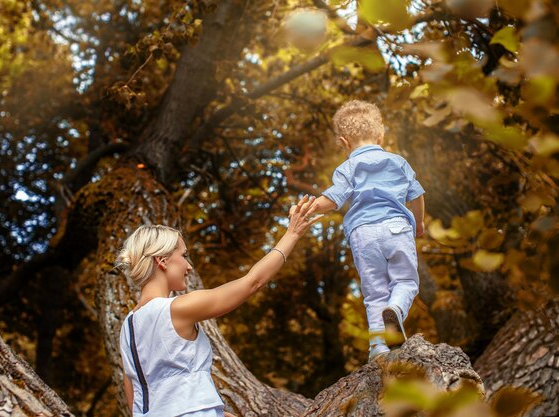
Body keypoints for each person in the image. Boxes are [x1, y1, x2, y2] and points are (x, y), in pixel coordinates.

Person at [117, 195, 322, 417]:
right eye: (184, 255)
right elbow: (252, 282)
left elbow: (139, 396)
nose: (188, 266)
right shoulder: (177, 308)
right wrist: (292, 234)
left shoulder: (127, 328)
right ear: (163, 260)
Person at [290, 100, 425, 362]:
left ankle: (378, 348)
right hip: (396, 227)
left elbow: (331, 199)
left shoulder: (347, 168)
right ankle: (395, 308)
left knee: (374, 292)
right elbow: (417, 195)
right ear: (380, 135)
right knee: (405, 281)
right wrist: (419, 223)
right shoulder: (398, 162)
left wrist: (305, 208)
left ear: (344, 141)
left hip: (362, 233)